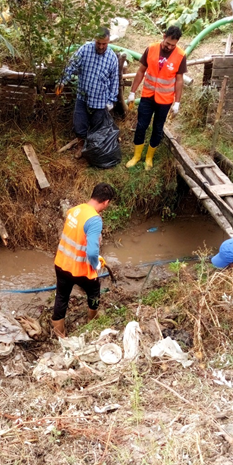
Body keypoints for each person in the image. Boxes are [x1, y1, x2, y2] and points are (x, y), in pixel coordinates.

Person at [52, 183, 116, 338]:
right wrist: (95, 265)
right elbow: (92, 251)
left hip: (61, 263)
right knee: (94, 292)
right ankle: (92, 320)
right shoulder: (94, 220)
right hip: (79, 269)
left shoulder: (75, 210)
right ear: (106, 202)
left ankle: (59, 332)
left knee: (61, 296)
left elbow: (75, 237)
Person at [125, 25, 187, 170]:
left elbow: (179, 80)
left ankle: (149, 157)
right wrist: (132, 92)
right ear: (164, 36)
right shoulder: (151, 49)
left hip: (165, 100)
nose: (169, 47)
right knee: (141, 125)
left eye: (173, 45)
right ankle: (136, 156)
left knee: (158, 128)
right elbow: (141, 71)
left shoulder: (180, 55)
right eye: (167, 43)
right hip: (147, 96)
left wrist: (177, 102)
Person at [56, 28, 119, 156]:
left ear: (108, 42)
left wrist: (111, 101)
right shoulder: (85, 50)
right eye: (98, 43)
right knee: (79, 124)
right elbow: (71, 66)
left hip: (101, 100)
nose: (101, 46)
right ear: (94, 40)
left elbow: (114, 81)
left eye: (104, 44)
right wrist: (62, 81)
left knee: (97, 127)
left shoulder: (112, 58)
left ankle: (92, 151)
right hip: (83, 96)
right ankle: (80, 147)